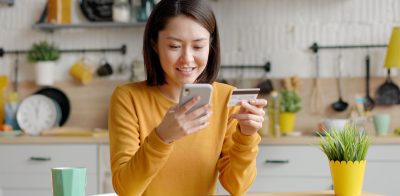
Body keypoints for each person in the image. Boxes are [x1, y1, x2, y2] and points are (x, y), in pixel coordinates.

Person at [108, 0, 268, 195]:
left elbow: (237, 186)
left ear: (210, 45)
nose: (188, 59)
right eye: (174, 46)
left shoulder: (227, 98)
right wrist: (162, 137)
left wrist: (247, 136)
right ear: (155, 44)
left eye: (198, 46)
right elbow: (126, 189)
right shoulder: (128, 98)